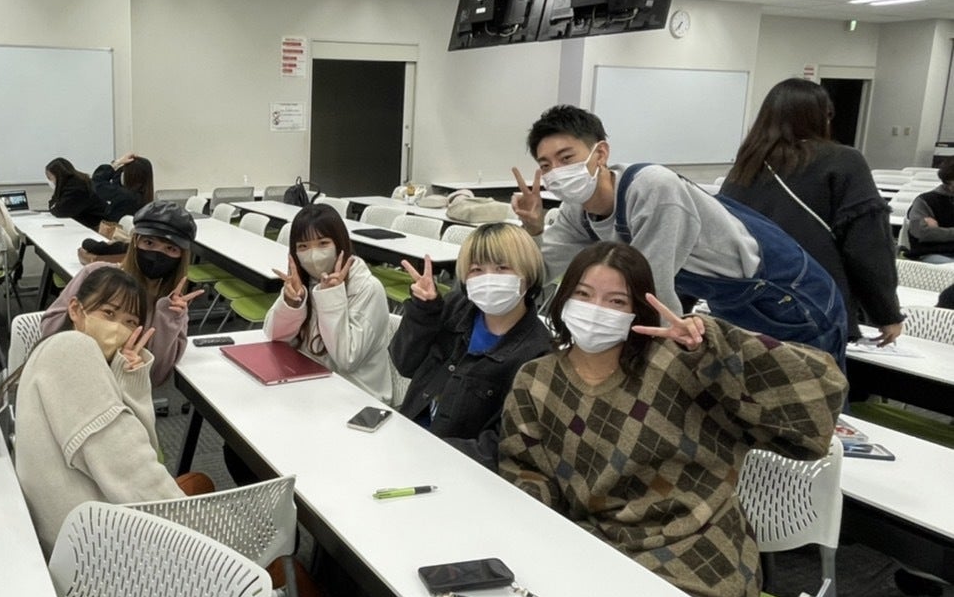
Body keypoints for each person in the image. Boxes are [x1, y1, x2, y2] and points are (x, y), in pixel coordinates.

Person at [499, 242, 844, 597]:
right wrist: (542, 532)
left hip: (699, 568)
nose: (596, 310)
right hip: (600, 561)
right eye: (584, 294)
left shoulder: (684, 366)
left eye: (616, 301)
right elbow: (526, 467)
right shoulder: (536, 378)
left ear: (641, 309)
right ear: (562, 300)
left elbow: (818, 400)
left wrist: (720, 347)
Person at [17, 265, 374, 597]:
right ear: (76, 309)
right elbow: (131, 473)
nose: (118, 329)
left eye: (129, 321)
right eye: (107, 313)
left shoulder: (59, 354)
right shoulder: (73, 350)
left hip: (78, 540)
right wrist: (212, 543)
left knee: (200, 483)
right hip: (109, 562)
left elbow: (142, 450)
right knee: (270, 553)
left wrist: (132, 378)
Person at [511, 104, 847, 362]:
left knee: (810, 405)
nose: (556, 172)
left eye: (566, 158)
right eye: (546, 165)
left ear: (600, 153)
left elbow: (652, 290)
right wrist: (534, 229)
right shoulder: (577, 212)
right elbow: (540, 271)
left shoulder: (652, 188)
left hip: (790, 298)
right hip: (731, 304)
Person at [721, 78, 902, 345]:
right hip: (813, 305)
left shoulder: (744, 167)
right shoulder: (844, 161)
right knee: (813, 374)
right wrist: (886, 312)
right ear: (823, 116)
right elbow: (867, 245)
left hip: (743, 305)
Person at [390, 222, 551, 467]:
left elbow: (504, 442)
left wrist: (429, 452)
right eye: (476, 269)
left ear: (528, 273)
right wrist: (424, 312)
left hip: (456, 465)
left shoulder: (538, 353)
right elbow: (405, 363)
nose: (488, 278)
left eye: (502, 268)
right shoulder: (454, 308)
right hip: (408, 436)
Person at [42, 200, 203, 387]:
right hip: (70, 374)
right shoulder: (97, 274)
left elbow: (155, 377)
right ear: (135, 242)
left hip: (124, 389)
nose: (157, 254)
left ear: (182, 256)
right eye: (149, 243)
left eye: (171, 248)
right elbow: (49, 329)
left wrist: (168, 318)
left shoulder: (174, 307)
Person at [266, 202, 392, 402]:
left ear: (340, 244)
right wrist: (292, 303)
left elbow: (346, 359)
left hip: (357, 395)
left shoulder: (367, 288)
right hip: (310, 380)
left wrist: (331, 296)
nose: (313, 255)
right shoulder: (303, 282)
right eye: (303, 246)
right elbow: (274, 337)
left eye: (323, 243)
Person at [902, 158, 954, 263]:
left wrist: (941, 231)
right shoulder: (924, 201)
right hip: (933, 253)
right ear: (949, 180)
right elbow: (920, 232)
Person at [92, 152, 155, 224]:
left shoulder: (125, 196)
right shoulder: (143, 199)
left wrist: (117, 163)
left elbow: (97, 183)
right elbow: (116, 185)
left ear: (130, 176)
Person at [45, 156, 105, 230]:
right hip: (86, 223)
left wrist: (54, 205)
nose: (50, 181)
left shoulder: (76, 186)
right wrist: (54, 205)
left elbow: (60, 211)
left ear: (58, 175)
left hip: (95, 227)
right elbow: (53, 203)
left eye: (50, 177)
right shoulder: (67, 184)